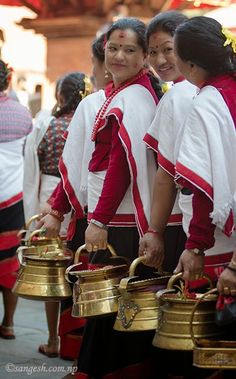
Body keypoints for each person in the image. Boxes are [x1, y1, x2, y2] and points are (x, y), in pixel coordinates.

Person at [37, 32, 111, 364]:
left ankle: (67, 347)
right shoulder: (144, 99)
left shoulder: (86, 108)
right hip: (108, 210)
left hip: (81, 206)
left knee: (76, 280)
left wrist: (54, 208)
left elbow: (70, 165)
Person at [23, 71, 93, 358]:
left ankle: (54, 339)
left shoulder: (45, 122)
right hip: (79, 202)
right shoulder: (91, 118)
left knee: (51, 275)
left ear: (60, 95)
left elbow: (32, 171)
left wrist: (30, 218)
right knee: (79, 274)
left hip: (48, 201)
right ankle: (78, 343)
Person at [139, 10, 197, 273]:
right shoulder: (215, 87)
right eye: (152, 52)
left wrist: (154, 230)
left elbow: (166, 174)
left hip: (188, 222)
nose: (159, 60)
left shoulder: (177, 97)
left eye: (168, 49)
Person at [0, 59, 32, 339]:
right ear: (8, 81)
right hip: (13, 197)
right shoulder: (22, 114)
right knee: (10, 261)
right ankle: (8, 323)